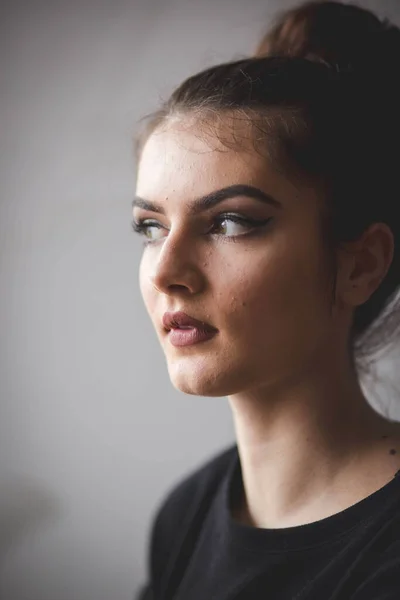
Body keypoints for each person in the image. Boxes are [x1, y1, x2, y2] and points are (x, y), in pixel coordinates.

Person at [133, 2, 400, 598]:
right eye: (150, 227)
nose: (167, 272)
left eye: (230, 223)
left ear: (360, 264)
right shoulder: (186, 514)